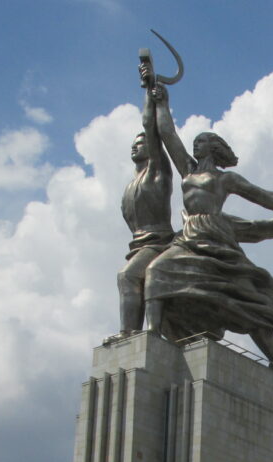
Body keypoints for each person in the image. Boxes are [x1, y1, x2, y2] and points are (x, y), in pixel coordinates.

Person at [143, 84, 273, 374]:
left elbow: (269, 198)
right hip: (188, 238)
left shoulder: (227, 180)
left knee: (245, 297)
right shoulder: (188, 170)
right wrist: (161, 102)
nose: (195, 145)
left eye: (201, 141)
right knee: (156, 271)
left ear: (213, 148)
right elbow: (168, 134)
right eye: (196, 142)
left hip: (216, 239)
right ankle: (151, 334)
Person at [116, 67, 175, 336]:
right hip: (138, 244)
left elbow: (150, 127)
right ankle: (132, 335)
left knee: (127, 276)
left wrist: (149, 92)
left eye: (141, 142)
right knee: (131, 279)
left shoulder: (157, 173)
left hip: (158, 242)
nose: (135, 144)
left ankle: (128, 334)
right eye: (134, 143)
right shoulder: (131, 185)